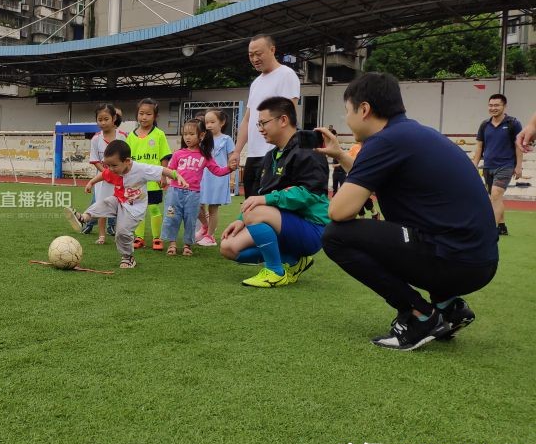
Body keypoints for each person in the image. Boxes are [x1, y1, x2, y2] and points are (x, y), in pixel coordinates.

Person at [318, 73, 498, 351]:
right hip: (477, 260)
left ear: (364, 109)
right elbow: (375, 178)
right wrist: (342, 156)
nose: (346, 119)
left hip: (455, 261)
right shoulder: (411, 134)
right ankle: (449, 307)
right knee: (411, 232)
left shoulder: (384, 142)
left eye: (347, 111)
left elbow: (339, 211)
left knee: (336, 236)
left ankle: (420, 315)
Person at [219, 97, 329, 288]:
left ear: (283, 120)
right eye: (258, 124)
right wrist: (240, 218)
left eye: (263, 123)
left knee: (255, 211)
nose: (260, 128)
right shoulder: (271, 155)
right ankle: (293, 260)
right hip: (281, 222)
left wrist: (266, 200)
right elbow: (262, 193)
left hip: (313, 228)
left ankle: (275, 272)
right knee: (228, 247)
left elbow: (310, 194)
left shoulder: (307, 150)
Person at [64, 139, 189, 269]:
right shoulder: (113, 169)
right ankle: (83, 218)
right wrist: (91, 182)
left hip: (134, 209)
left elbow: (162, 170)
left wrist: (177, 176)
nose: (111, 169)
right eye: (108, 165)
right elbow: (103, 174)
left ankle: (128, 258)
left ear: (127, 161)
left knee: (122, 233)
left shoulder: (141, 169)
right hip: (119, 200)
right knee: (105, 202)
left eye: (114, 166)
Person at [228, 34, 301, 198]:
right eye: (250, 55)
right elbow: (247, 120)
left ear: (272, 49)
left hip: (273, 154)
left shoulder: (286, 75)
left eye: (258, 53)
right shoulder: (256, 83)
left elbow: (289, 116)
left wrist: (282, 153)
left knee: (266, 207)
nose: (254, 59)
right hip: (253, 155)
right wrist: (237, 151)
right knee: (250, 205)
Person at [161, 119, 232, 256]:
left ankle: (187, 245)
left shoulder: (205, 156)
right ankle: (172, 244)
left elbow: (217, 171)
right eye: (185, 134)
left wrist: (229, 168)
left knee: (191, 219)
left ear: (201, 135)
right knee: (171, 217)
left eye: (191, 134)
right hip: (174, 192)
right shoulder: (178, 154)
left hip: (193, 194)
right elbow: (169, 169)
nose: (187, 137)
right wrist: (163, 178)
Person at [472, 94, 523, 236]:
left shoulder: (513, 123)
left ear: (504, 106)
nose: (493, 108)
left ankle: (490, 229)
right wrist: (474, 164)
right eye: (490, 105)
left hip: (506, 165)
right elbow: (479, 147)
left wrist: (518, 166)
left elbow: (518, 146)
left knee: (495, 194)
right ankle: (502, 226)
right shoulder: (484, 125)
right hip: (488, 166)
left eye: (496, 105)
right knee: (495, 198)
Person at [125, 98, 172, 251]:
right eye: (141, 113)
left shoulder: (159, 135)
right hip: (136, 181)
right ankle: (139, 238)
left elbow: (164, 156)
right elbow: (127, 159)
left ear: (155, 116)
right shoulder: (131, 136)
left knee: (153, 208)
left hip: (153, 180)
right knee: (137, 208)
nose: (144, 117)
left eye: (148, 114)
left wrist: (163, 176)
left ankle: (157, 238)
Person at [87, 104, 126, 244]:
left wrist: (117, 173)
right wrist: (107, 173)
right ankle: (102, 235)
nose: (103, 122)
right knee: (102, 205)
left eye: (106, 119)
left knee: (121, 206)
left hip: (121, 179)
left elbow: (128, 158)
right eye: (100, 119)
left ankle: (120, 233)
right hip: (103, 181)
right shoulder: (96, 139)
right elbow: (95, 160)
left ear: (114, 118)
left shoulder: (123, 137)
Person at [197, 109, 234, 246]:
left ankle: (210, 236)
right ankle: (206, 226)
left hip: (219, 178)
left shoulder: (226, 139)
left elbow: (232, 159)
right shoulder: (202, 138)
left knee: (213, 208)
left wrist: (232, 178)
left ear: (222, 122)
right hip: (203, 177)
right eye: (207, 122)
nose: (209, 125)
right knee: (197, 205)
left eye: (212, 122)